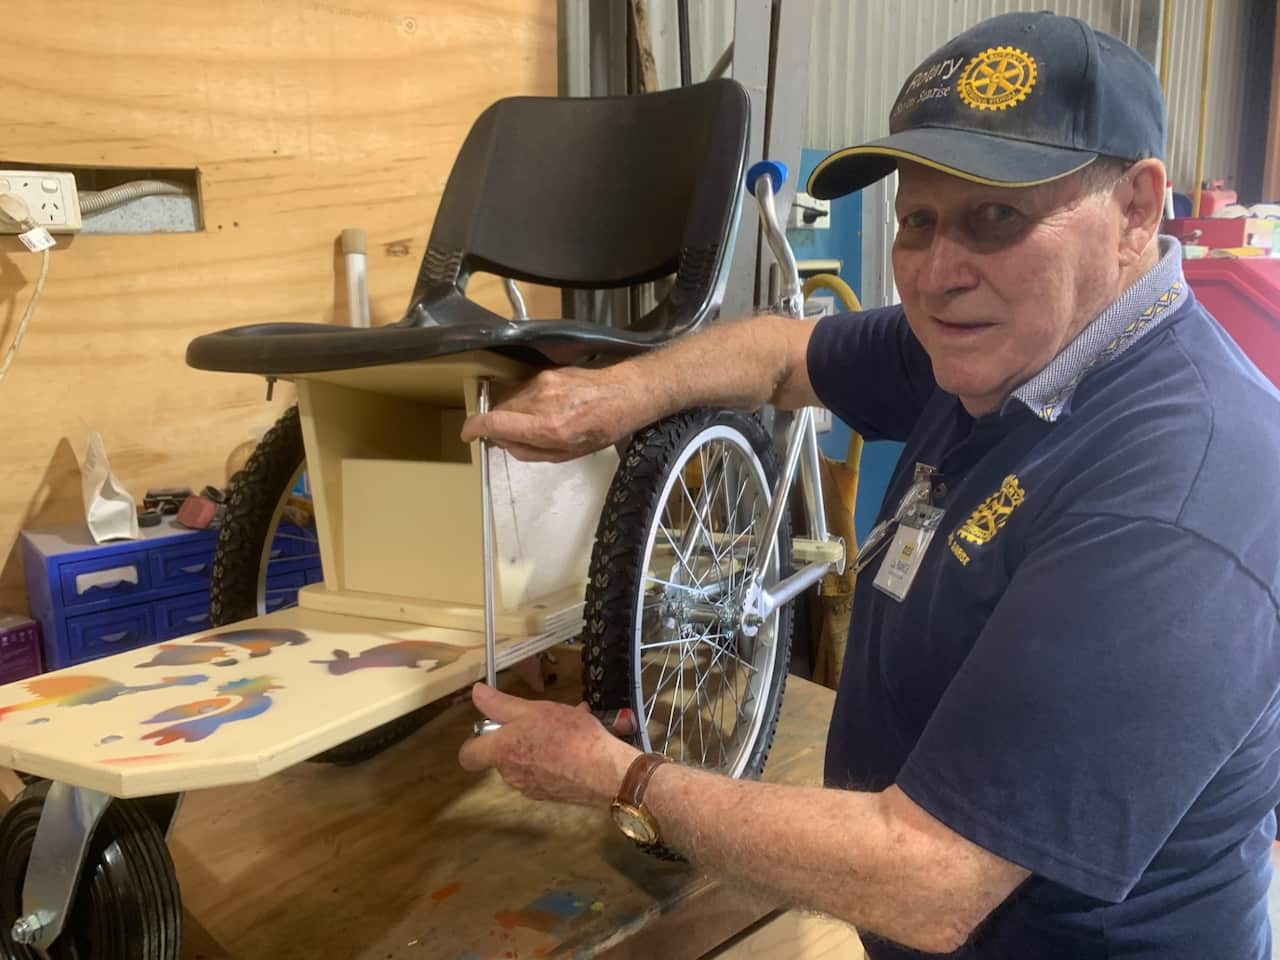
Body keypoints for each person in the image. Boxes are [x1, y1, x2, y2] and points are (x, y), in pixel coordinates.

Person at [457, 11, 1280, 958]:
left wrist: (617, 777)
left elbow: (929, 877)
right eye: (916, 221)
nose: (935, 276)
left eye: (998, 217)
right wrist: (614, 394)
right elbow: (781, 356)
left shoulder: (1176, 496)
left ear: (1136, 210)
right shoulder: (996, 343)